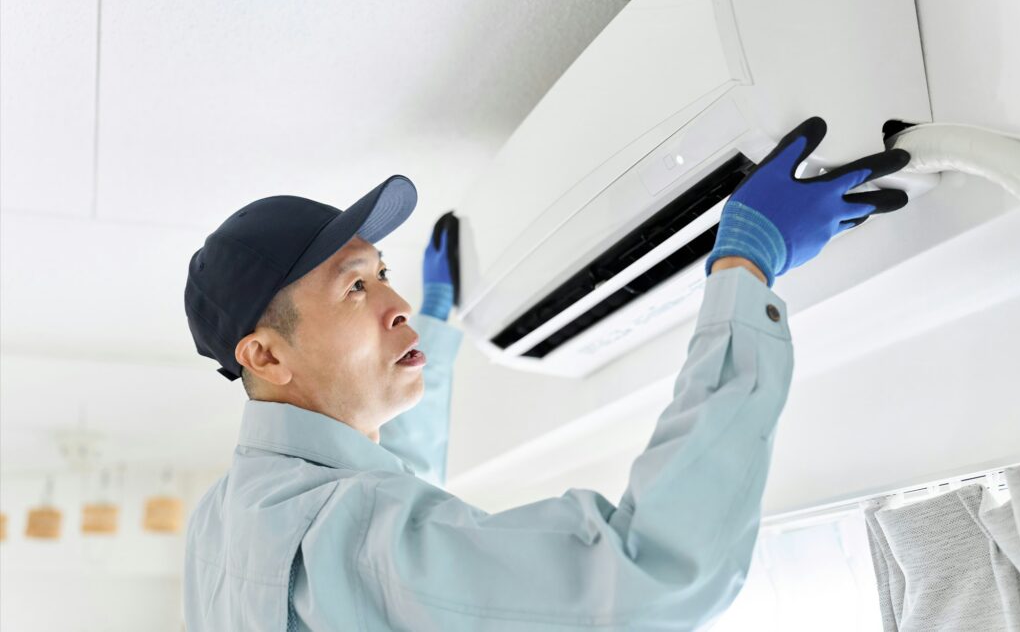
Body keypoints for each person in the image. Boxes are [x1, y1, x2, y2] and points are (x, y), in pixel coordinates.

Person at [182, 117, 910, 631]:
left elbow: (387, 476)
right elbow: (650, 583)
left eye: (385, 275)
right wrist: (744, 270)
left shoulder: (228, 519)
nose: (396, 302)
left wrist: (434, 321)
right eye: (355, 287)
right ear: (267, 356)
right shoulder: (344, 530)